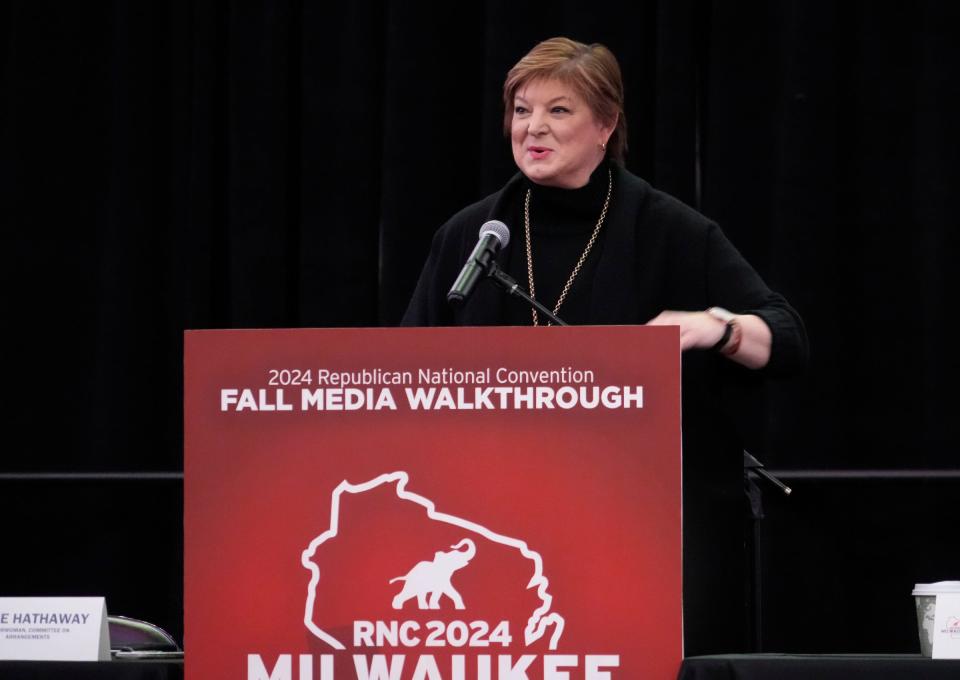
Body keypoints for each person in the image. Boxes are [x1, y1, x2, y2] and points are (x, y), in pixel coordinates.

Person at [402, 37, 808, 655]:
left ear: (606, 124)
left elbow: (786, 340)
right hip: (496, 525)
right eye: (520, 110)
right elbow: (404, 373)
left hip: (637, 531)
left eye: (558, 110)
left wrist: (714, 327)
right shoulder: (477, 234)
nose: (533, 128)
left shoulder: (667, 229)